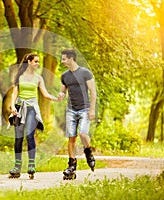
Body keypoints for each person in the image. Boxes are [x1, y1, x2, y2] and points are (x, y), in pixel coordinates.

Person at [8, 53, 58, 179]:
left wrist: (56, 98)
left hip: (32, 109)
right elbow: (14, 93)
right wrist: (13, 107)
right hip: (19, 107)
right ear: (29, 62)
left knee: (29, 135)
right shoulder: (19, 76)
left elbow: (45, 94)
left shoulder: (39, 78)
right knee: (18, 138)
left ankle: (31, 165)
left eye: (38, 61)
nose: (38, 63)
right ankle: (17, 166)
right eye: (36, 61)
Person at [58, 48, 97, 178]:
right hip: (71, 110)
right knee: (71, 137)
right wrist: (61, 94)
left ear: (71, 58)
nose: (62, 61)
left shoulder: (85, 73)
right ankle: (71, 165)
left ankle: (88, 151)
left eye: (64, 59)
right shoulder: (64, 76)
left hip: (85, 108)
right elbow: (63, 91)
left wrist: (92, 109)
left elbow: (93, 91)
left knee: (83, 133)